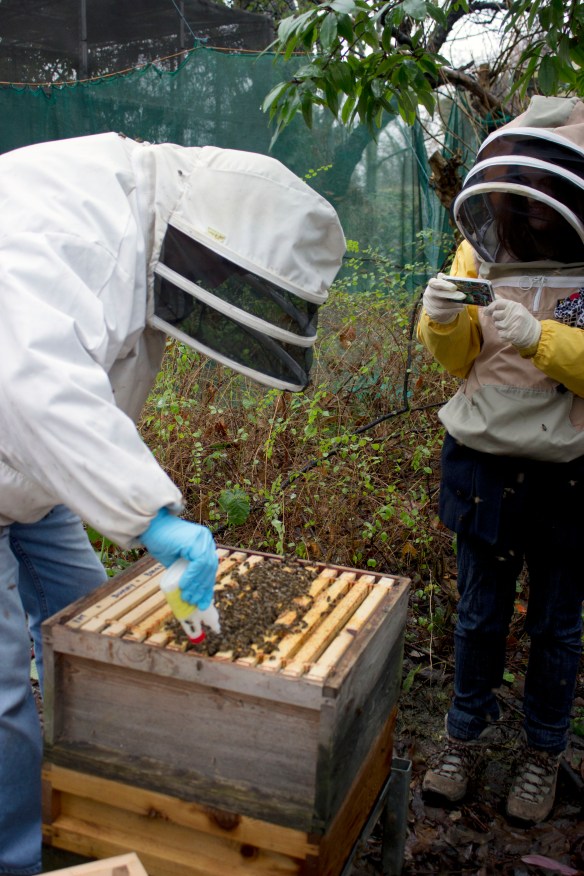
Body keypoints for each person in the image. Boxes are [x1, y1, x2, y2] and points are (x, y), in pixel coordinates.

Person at [0, 132, 346, 876]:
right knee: (3, 705)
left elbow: (88, 391)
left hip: (31, 469)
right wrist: (152, 517)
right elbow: (34, 381)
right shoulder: (71, 224)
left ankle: (106, 795)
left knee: (96, 628)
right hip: (20, 437)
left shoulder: (143, 232)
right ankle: (24, 855)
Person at [417, 95, 584, 823]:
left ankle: (544, 753)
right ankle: (462, 738)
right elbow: (460, 364)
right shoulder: (479, 244)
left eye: (551, 186)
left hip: (570, 471)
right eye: (526, 186)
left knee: (556, 625)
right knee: (479, 617)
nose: (536, 203)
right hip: (484, 461)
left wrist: (542, 338)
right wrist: (443, 322)